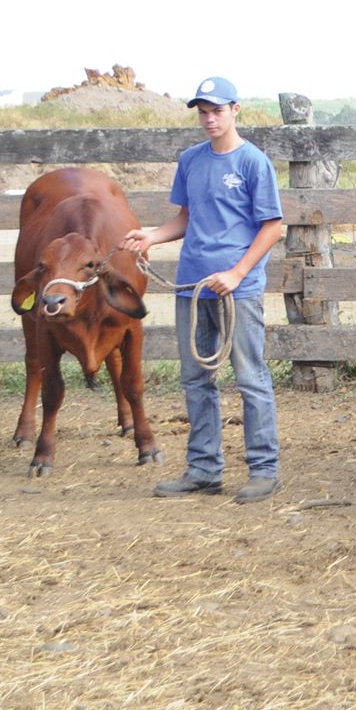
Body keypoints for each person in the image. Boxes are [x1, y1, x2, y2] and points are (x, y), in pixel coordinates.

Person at [122, 77, 286, 504]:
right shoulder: (191, 160)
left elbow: (272, 227)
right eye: (203, 112)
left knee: (250, 377)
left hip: (237, 289)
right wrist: (153, 236)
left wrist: (236, 272)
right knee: (196, 378)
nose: (209, 119)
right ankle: (203, 469)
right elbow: (186, 216)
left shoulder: (253, 162)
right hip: (193, 285)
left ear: (235, 110)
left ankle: (264, 469)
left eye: (217, 110)